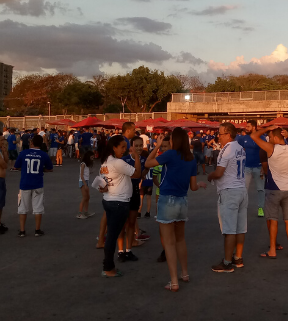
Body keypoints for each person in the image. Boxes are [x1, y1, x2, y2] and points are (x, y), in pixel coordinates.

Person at [145, 128, 205, 291]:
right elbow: (193, 187)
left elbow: (147, 163)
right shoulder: (191, 158)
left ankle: (174, 281)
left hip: (167, 199)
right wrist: (199, 185)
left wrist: (156, 147)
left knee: (169, 243)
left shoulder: (170, 155)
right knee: (180, 239)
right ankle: (184, 273)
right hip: (182, 200)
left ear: (174, 141)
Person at [250, 125, 288, 259]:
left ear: (274, 137)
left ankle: (272, 250)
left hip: (273, 188)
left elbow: (253, 136)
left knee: (273, 220)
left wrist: (267, 129)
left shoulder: (271, 148)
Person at [96, 135, 145, 277]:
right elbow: (136, 174)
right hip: (119, 202)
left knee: (112, 233)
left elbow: (104, 182)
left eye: (126, 146)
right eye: (122, 147)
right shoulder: (117, 163)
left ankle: (109, 264)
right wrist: (136, 157)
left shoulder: (105, 163)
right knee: (112, 236)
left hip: (109, 199)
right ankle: (108, 267)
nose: (125, 150)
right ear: (114, 147)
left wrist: (103, 188)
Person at [206, 123, 247, 273]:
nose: (219, 136)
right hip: (241, 189)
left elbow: (219, 173)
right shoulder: (240, 148)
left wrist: (210, 176)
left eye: (221, 134)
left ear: (228, 135)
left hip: (229, 191)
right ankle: (238, 257)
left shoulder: (227, 149)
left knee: (229, 229)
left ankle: (227, 262)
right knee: (240, 228)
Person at [14, 135, 53, 238]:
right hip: (38, 183)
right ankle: (37, 229)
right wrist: (42, 170)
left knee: (22, 207)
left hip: (25, 183)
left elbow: (16, 166)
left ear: (31, 143)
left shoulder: (23, 153)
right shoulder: (43, 155)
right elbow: (50, 168)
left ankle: (22, 230)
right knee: (38, 207)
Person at [237, 120, 265, 217]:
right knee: (244, 189)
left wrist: (264, 166)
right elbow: (238, 150)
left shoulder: (262, 138)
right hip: (246, 167)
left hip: (259, 166)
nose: (246, 128)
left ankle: (261, 208)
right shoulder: (243, 138)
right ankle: (243, 208)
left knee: (260, 189)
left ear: (254, 127)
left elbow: (265, 151)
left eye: (248, 126)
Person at [77, 150, 96, 219]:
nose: (92, 158)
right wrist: (85, 185)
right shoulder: (83, 164)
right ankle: (79, 213)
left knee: (88, 197)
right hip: (83, 182)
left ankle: (86, 211)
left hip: (86, 181)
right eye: (91, 157)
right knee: (84, 197)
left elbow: (86, 173)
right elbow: (81, 175)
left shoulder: (87, 165)